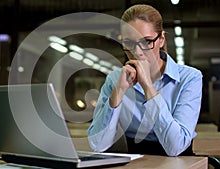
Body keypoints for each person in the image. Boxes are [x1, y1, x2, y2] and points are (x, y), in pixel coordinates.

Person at [87, 4, 203, 156]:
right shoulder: (115, 79)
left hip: (178, 162)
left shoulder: (190, 78)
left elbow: (176, 147)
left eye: (147, 41)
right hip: (135, 162)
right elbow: (98, 145)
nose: (137, 52)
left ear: (161, 39)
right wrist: (119, 92)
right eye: (129, 43)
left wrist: (148, 87)